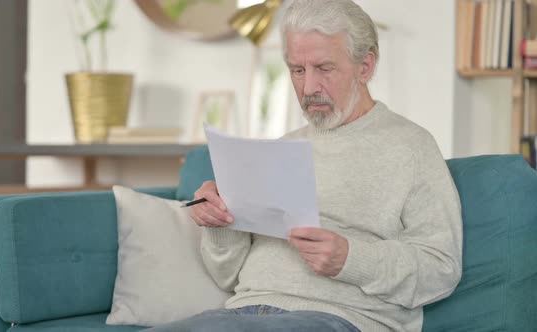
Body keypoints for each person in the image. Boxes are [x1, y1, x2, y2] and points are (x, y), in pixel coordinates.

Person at [146, 0, 462, 331]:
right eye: (298, 70)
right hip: (239, 313)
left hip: (337, 318)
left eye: (324, 69)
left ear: (365, 66)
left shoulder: (411, 146)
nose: (308, 88)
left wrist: (351, 259)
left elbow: (441, 270)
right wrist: (219, 225)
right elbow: (228, 275)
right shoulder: (281, 149)